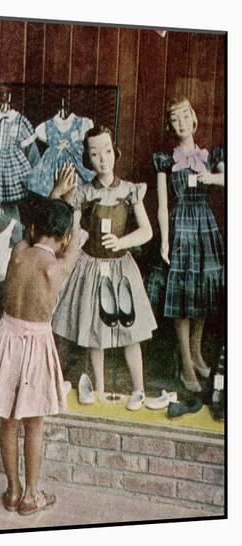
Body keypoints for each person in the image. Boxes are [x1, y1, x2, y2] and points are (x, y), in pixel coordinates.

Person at [0, 165, 79, 515]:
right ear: (61, 239)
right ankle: (33, 494)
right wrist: (71, 210)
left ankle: (13, 489)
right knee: (34, 422)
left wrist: (55, 196)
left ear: (33, 230)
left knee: (8, 419)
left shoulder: (18, 252)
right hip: (35, 343)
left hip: (6, 336)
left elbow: (35, 229)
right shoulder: (57, 266)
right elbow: (76, 239)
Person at [52, 126, 157, 410]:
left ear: (115, 152)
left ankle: (139, 388)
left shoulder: (130, 190)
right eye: (95, 154)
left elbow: (146, 231)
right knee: (95, 328)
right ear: (88, 157)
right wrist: (63, 204)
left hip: (121, 266)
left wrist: (122, 240)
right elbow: (65, 227)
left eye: (107, 151)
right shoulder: (84, 192)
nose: (103, 159)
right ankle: (98, 387)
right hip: (92, 266)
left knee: (130, 329)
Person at [147, 97, 224, 392]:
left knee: (202, 292)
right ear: (170, 125)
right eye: (174, 119)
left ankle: (196, 351)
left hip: (205, 227)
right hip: (181, 227)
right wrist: (165, 240)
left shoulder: (211, 154)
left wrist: (213, 178)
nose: (180, 123)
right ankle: (185, 363)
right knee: (181, 296)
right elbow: (163, 206)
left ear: (193, 119)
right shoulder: (166, 161)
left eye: (184, 117)